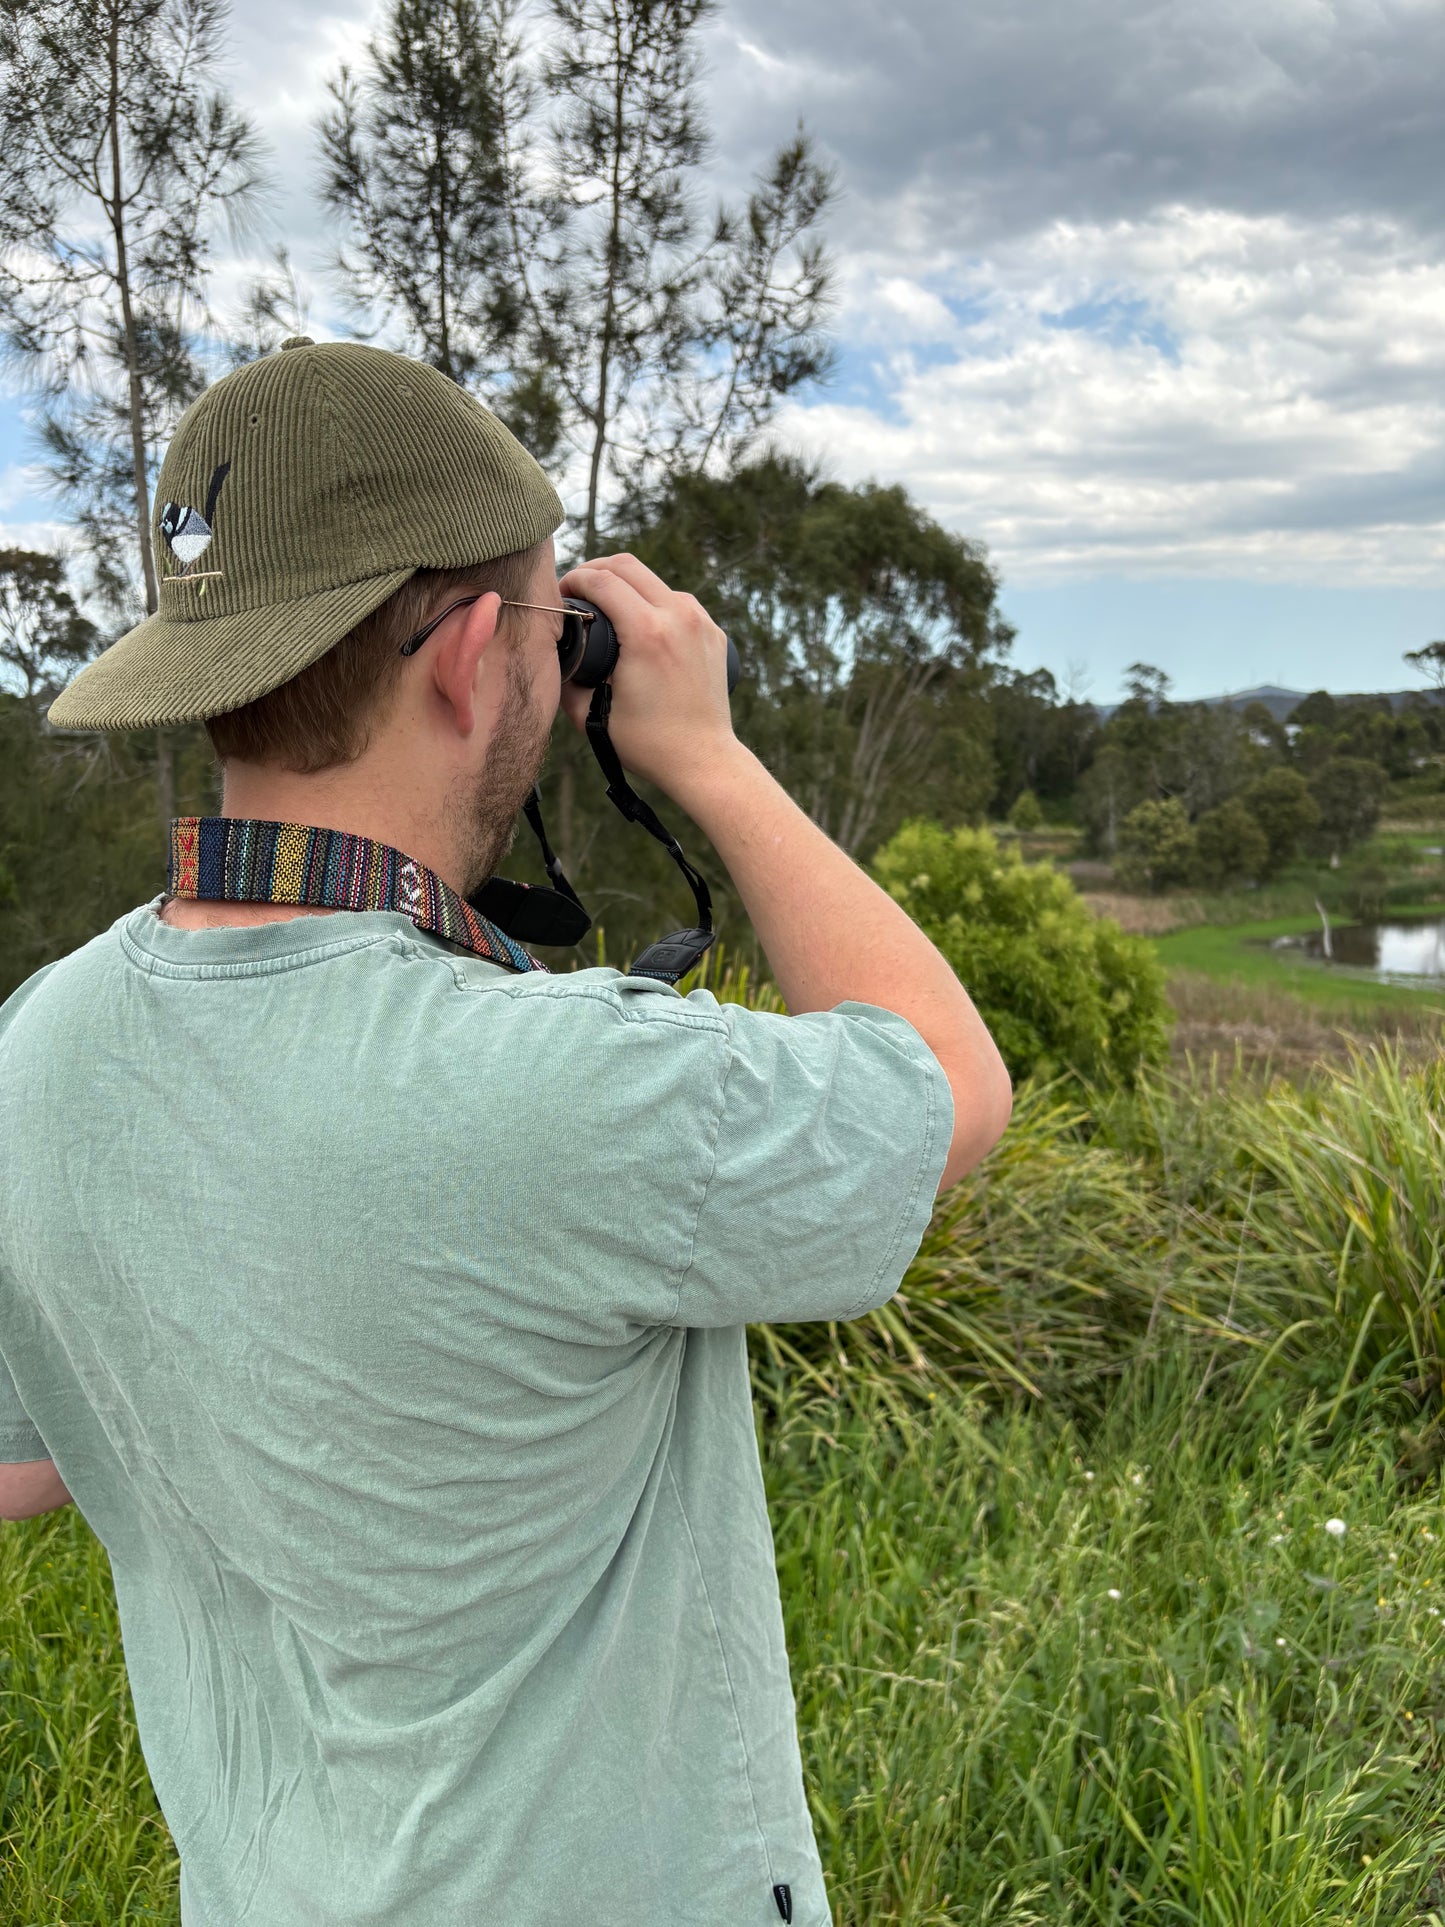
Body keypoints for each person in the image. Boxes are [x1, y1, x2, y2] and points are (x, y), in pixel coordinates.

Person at [0, 338, 1011, 1926]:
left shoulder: (38, 1044)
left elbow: (21, 1475)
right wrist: (707, 756)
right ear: (474, 654)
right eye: (551, 624)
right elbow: (948, 1087)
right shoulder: (561, 1083)